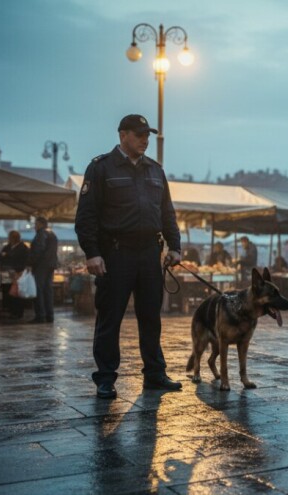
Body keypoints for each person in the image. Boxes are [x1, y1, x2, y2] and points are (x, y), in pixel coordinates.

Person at [74, 114, 183, 399]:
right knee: (110, 318)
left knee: (151, 317)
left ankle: (155, 374)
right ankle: (106, 378)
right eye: (139, 135)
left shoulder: (155, 170)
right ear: (123, 135)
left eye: (147, 134)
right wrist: (93, 253)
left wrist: (175, 246)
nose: (145, 140)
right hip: (115, 253)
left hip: (149, 252)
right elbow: (86, 216)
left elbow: (167, 212)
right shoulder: (101, 168)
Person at [27, 217, 59, 323]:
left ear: (40, 224)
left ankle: (40, 316)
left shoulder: (41, 234)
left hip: (41, 265)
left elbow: (38, 250)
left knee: (39, 290)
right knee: (48, 290)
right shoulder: (52, 234)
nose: (34, 227)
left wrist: (31, 263)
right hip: (51, 265)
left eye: (36, 224)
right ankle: (50, 316)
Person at [0, 230, 30, 319]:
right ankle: (10, 310)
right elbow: (1, 257)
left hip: (18, 273)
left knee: (17, 293)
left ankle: (18, 312)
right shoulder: (7, 247)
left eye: (12, 237)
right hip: (6, 273)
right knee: (8, 292)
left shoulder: (23, 248)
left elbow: (26, 261)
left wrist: (19, 271)